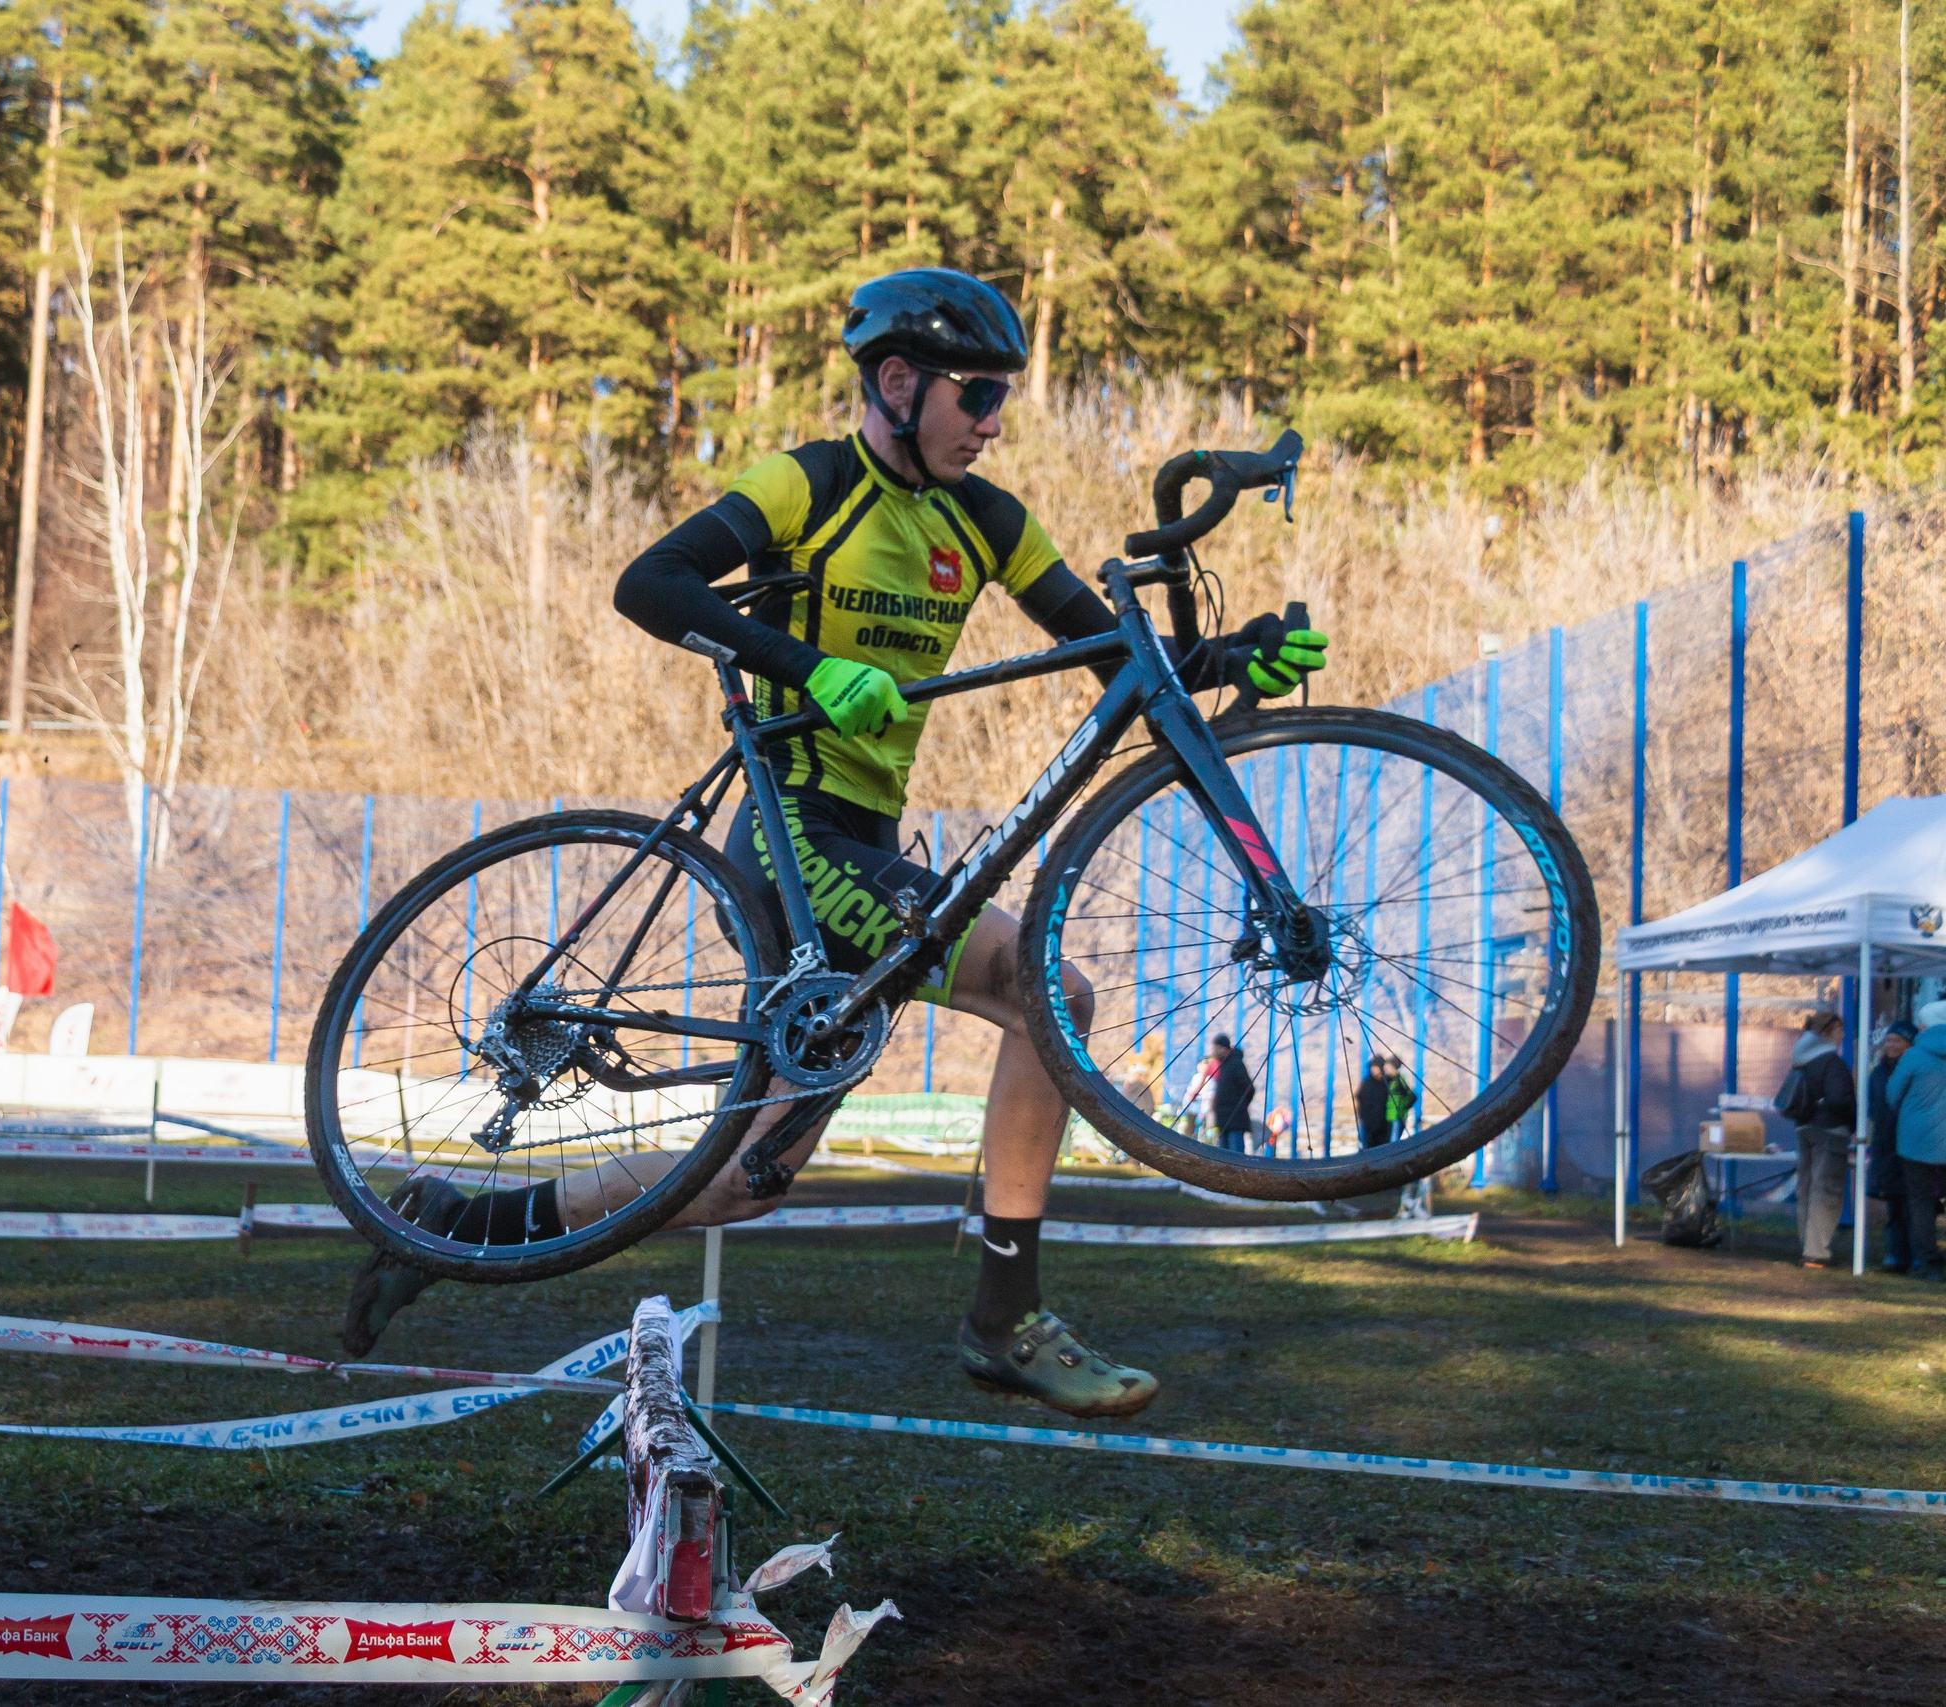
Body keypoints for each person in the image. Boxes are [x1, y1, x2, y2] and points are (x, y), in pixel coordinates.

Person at [334, 270, 1330, 1420]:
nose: (993, 419)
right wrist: (807, 668)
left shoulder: (986, 517)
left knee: (745, 1180)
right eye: (977, 393)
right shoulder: (809, 483)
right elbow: (647, 583)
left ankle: (451, 1222)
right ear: (898, 383)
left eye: (1002, 396)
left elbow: (1105, 647)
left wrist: (1225, 660)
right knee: (1046, 988)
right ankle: (1007, 1318)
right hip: (794, 840)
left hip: (870, 848)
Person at [1781, 1009, 1858, 1270]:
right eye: (1839, 1030)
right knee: (1827, 1191)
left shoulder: (1801, 1059)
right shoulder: (1831, 1062)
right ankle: (1816, 1252)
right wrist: (1853, 1120)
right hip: (1830, 1131)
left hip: (1805, 1129)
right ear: (1827, 1033)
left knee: (1807, 1188)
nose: (1843, 1035)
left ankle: (1807, 1245)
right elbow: (1839, 1100)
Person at [1884, 1000, 1946, 1280]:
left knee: (1920, 1202)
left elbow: (1892, 1094)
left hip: (1916, 1141)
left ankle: (1928, 1262)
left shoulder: (1915, 1055)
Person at [1869, 1021, 1917, 1273]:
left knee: (1914, 1205)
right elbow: (1871, 1106)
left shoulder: (1913, 1070)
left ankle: (1913, 1255)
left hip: (1910, 1143)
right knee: (1894, 1204)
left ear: (1909, 1044)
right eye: (1888, 1040)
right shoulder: (1878, 1073)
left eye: (1897, 1040)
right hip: (1886, 1145)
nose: (1890, 1045)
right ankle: (1895, 1255)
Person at [1210, 1034, 1256, 1153]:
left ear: (1222, 1049)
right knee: (1224, 1155)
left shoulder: (1235, 1064)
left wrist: (1239, 1106)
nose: (1213, 1052)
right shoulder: (1225, 1065)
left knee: (1235, 1155)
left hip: (1235, 1120)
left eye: (1215, 1048)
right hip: (1224, 1118)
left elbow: (1249, 1089)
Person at [1354, 1056, 1393, 1150]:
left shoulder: (1389, 1082)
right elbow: (1359, 1098)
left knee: (1383, 1151)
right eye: (1372, 1067)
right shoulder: (1367, 1083)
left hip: (1384, 1125)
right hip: (1368, 1126)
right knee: (1368, 1150)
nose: (1373, 1069)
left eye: (1375, 1067)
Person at [1383, 1056, 1416, 1140]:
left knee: (1393, 1142)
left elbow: (1412, 1096)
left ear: (1393, 1067)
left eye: (1387, 1067)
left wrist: (1402, 1108)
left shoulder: (1399, 1081)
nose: (1385, 1069)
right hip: (1389, 1117)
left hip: (1396, 1117)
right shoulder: (1391, 1080)